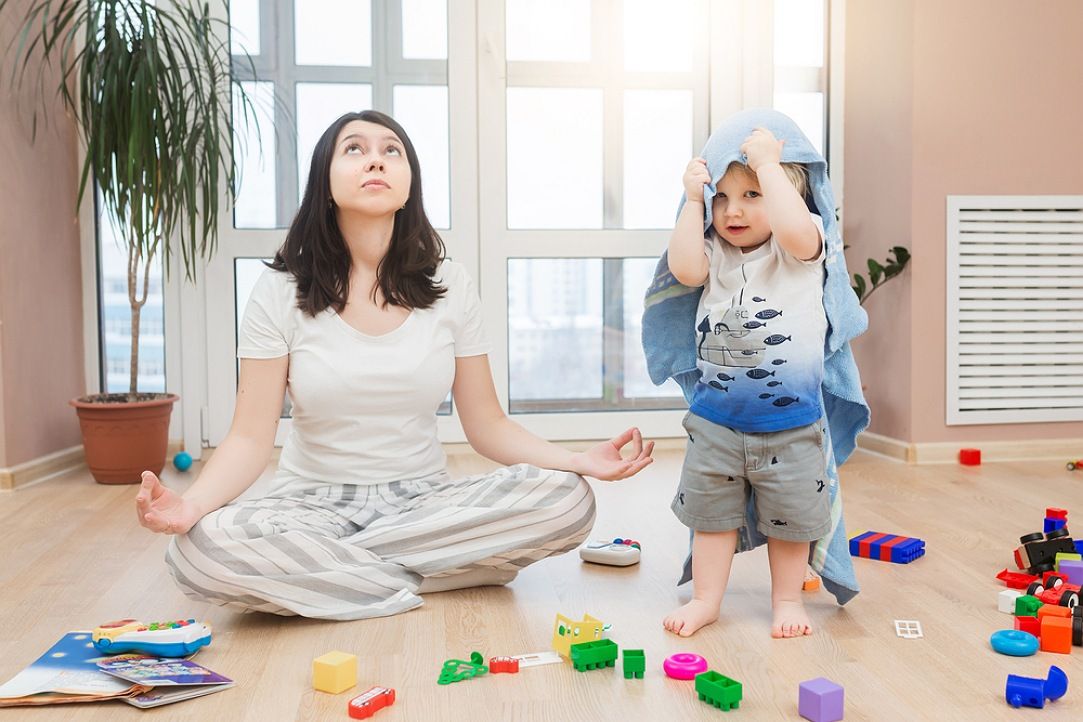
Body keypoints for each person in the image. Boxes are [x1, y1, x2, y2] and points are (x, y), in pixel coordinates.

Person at [134, 110, 654, 621]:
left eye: (392, 151)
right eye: (354, 149)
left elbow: (488, 425)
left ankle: (337, 579)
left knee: (567, 501)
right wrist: (191, 506)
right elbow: (249, 439)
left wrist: (578, 461)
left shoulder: (449, 284)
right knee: (198, 551)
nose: (375, 161)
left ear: (409, 185)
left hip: (424, 502)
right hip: (308, 506)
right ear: (325, 180)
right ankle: (444, 570)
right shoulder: (279, 290)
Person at [661, 124, 829, 639]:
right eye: (723, 199)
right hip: (717, 422)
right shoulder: (715, 254)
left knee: (791, 519)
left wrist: (770, 166)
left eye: (752, 195)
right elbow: (685, 269)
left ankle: (785, 600)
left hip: (792, 422)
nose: (732, 211)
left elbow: (798, 232)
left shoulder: (800, 248)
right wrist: (693, 202)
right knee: (711, 518)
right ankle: (708, 598)